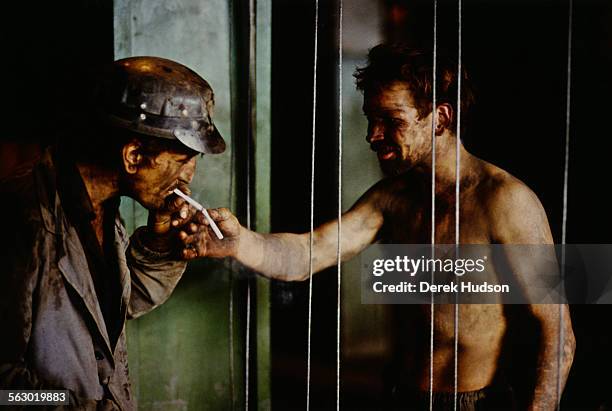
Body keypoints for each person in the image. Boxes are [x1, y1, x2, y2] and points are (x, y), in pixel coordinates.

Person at [196, 45, 575, 409]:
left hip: (475, 403)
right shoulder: (392, 197)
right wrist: (238, 242)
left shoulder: (505, 200)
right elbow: (310, 252)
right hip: (400, 396)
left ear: (441, 117)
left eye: (391, 121)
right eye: (371, 119)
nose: (372, 136)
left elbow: (559, 334)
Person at [0, 56, 224, 410]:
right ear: (133, 156)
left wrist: (159, 240)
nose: (188, 179)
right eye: (182, 162)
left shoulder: (103, 208)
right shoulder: (23, 221)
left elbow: (117, 305)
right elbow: (6, 389)